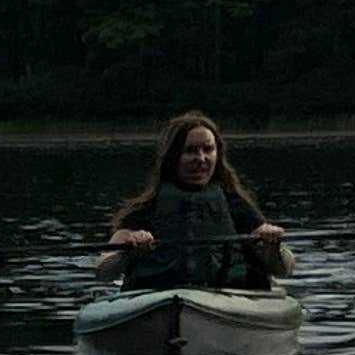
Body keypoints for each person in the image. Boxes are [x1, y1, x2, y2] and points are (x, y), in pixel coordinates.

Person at [95, 110, 292, 290]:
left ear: (218, 154)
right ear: (173, 157)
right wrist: (128, 251)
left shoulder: (236, 205)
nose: (201, 158)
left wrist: (271, 245)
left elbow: (284, 269)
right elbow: (104, 271)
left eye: (208, 149)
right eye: (190, 151)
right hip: (160, 298)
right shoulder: (145, 209)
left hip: (229, 298)